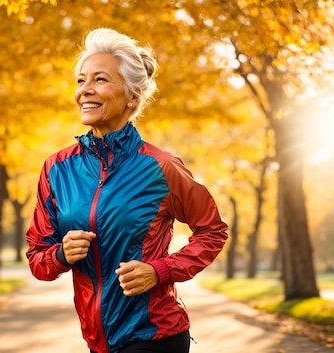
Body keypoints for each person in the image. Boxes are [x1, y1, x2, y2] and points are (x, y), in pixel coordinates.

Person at [25, 27, 228, 353]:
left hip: (155, 335)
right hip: (97, 340)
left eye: (100, 80)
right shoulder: (57, 169)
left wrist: (160, 271)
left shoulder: (160, 167)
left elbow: (212, 231)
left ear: (132, 97)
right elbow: (38, 257)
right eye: (80, 80)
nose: (85, 90)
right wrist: (62, 254)